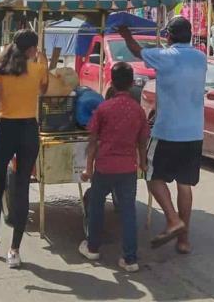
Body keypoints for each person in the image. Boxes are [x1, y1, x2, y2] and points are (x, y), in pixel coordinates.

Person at [117, 16, 206, 254]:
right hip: (195, 132)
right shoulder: (200, 57)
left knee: (151, 175)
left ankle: (172, 219)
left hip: (168, 130)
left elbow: (137, 51)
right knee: (185, 185)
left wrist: (125, 34)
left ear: (169, 36)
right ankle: (184, 240)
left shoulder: (165, 57)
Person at [0, 30, 49, 268]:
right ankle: (14, 252)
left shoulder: (0, 70)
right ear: (31, 50)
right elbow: (44, 91)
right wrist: (44, 64)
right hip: (29, 130)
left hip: (5, 130)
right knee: (22, 188)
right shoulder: (37, 69)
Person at [78, 62, 150, 272]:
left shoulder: (103, 108)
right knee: (128, 212)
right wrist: (143, 163)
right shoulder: (138, 110)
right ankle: (130, 259)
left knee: (96, 204)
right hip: (128, 168)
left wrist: (88, 168)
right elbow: (142, 141)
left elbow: (92, 141)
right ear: (130, 83)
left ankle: (92, 247)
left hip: (105, 167)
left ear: (112, 81)